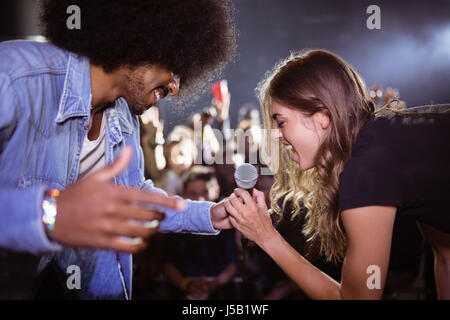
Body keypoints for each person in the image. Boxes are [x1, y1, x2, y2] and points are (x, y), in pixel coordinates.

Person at [0, 0, 236, 299]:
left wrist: (209, 215)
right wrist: (48, 213)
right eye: (174, 65)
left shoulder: (124, 116)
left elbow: (134, 199)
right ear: (141, 39)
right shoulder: (15, 76)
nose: (176, 88)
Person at [224, 49, 450, 299]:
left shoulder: (367, 167)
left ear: (322, 117)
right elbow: (446, 257)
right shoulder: (388, 145)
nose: (277, 134)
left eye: (281, 121)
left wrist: (266, 236)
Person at [162, 166, 237, 300]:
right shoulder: (173, 220)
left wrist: (213, 285)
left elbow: (233, 263)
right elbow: (168, 264)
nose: (200, 198)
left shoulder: (229, 219)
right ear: (183, 194)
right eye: (192, 193)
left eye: (205, 192)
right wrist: (187, 285)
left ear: (216, 191)